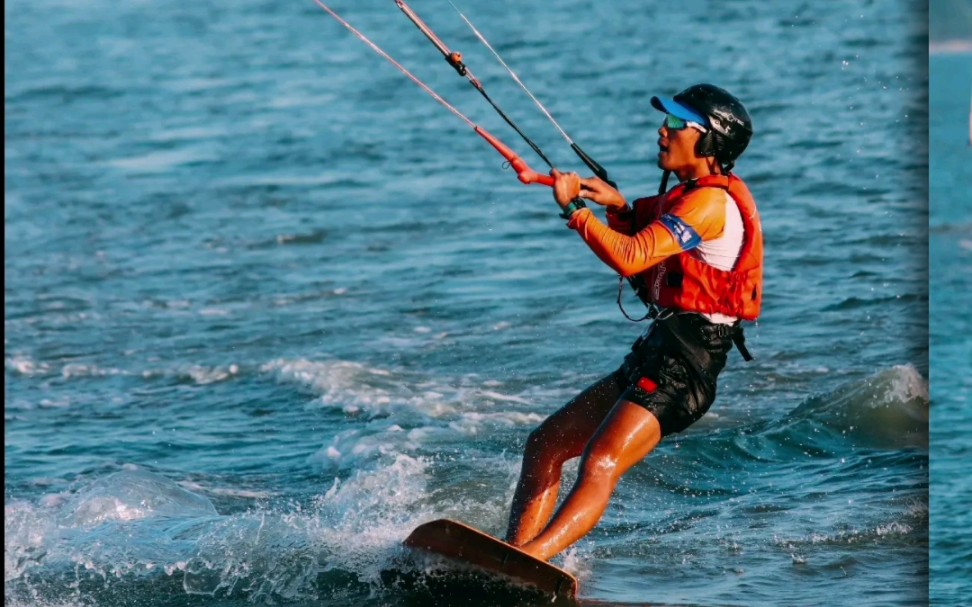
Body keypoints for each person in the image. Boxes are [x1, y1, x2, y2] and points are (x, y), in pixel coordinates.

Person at [505, 83, 764, 562]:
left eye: (674, 126)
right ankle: (510, 555)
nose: (661, 133)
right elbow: (644, 240)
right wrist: (619, 208)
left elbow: (632, 257)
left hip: (687, 364)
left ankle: (532, 561)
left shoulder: (710, 204)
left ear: (708, 143)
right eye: (662, 123)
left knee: (600, 461)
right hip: (659, 350)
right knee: (545, 445)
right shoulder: (689, 196)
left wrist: (575, 210)